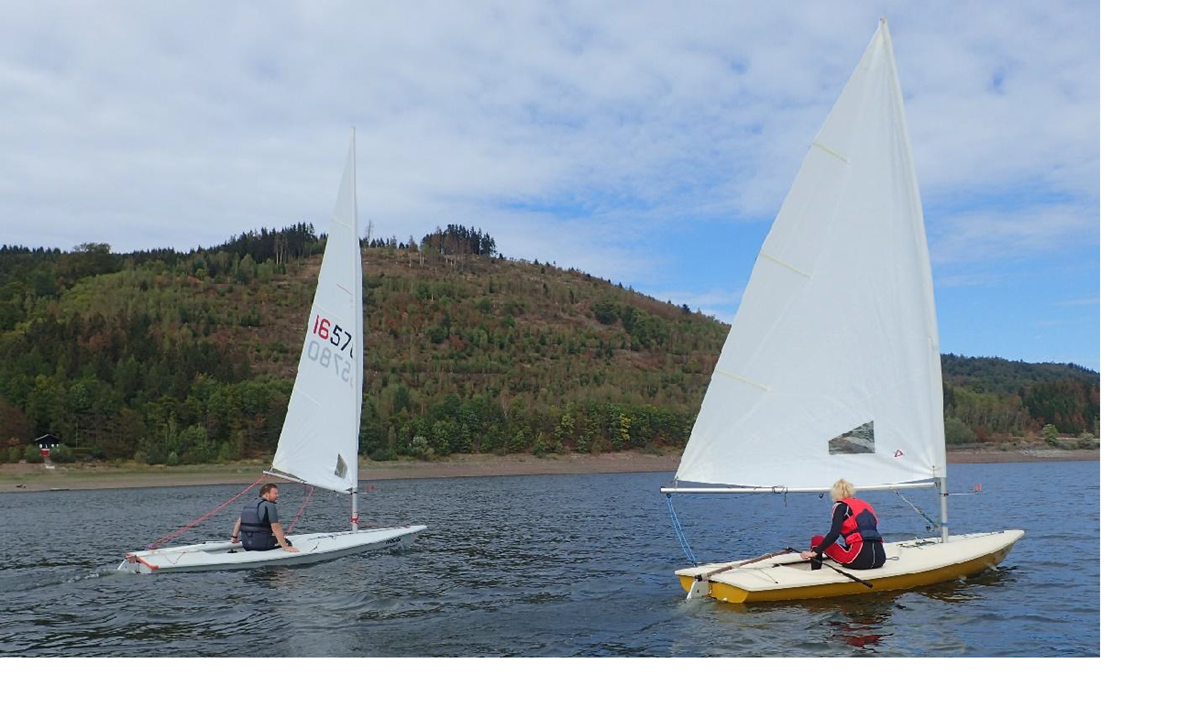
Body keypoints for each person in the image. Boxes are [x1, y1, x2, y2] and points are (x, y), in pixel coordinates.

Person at [799, 479, 886, 570]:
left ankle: (816, 573)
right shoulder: (866, 505)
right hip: (880, 558)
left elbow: (834, 534)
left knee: (817, 540)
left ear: (834, 493)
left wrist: (814, 553)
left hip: (858, 559)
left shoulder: (840, 506)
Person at [231, 483, 298, 552]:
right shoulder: (270, 506)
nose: (278, 496)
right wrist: (285, 547)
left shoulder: (249, 504)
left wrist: (234, 538)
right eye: (275, 493)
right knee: (287, 542)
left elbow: (239, 523)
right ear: (267, 494)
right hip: (261, 545)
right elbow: (276, 528)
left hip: (246, 545)